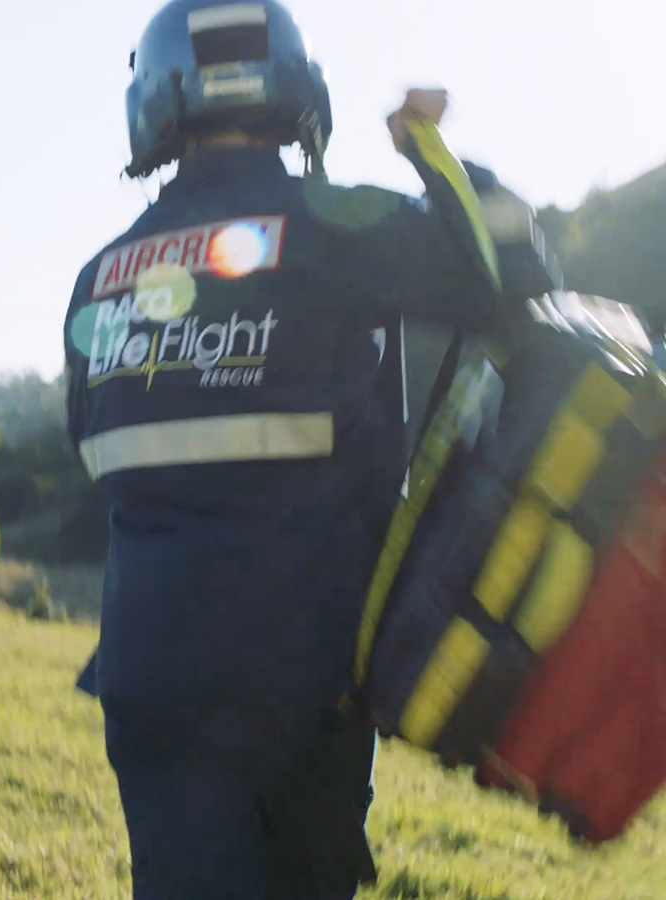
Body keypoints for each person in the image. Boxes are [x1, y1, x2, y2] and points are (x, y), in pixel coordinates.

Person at [64, 1, 560, 898]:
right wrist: (431, 151)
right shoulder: (342, 227)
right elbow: (520, 279)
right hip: (304, 680)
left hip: (150, 675)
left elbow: (91, 447)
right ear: (298, 91)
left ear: (157, 103)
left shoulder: (100, 280)